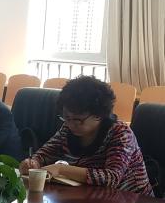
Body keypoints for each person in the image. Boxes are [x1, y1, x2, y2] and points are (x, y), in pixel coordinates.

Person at [19, 75, 152, 195]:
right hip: (90, 198)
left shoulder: (120, 133)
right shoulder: (68, 128)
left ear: (99, 115)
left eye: (78, 120)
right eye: (66, 117)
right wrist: (33, 162)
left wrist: (61, 169)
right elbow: (45, 153)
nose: (71, 124)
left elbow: (111, 178)